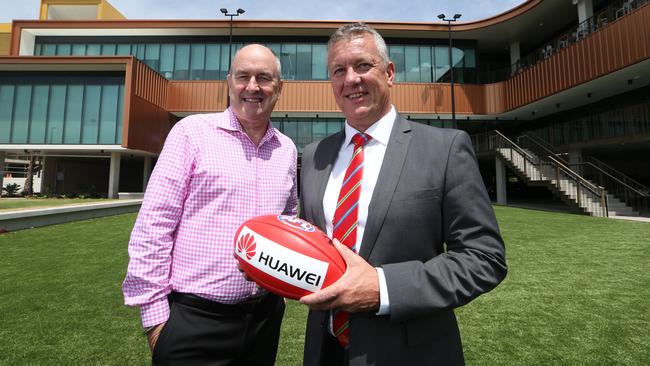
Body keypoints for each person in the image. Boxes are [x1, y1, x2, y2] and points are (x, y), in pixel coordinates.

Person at [298, 23, 507, 366]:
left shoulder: (444, 149)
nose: (351, 79)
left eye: (363, 65)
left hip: (410, 352)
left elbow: (484, 258)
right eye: (339, 70)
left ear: (390, 72)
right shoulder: (314, 156)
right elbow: (311, 247)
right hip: (325, 351)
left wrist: (383, 288)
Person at [122, 44, 297, 365]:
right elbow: (154, 224)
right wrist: (156, 322)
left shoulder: (286, 149)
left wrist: (280, 292)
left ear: (279, 88)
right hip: (195, 320)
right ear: (229, 82)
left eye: (264, 78)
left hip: (263, 319)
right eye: (243, 76)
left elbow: (288, 224)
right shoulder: (191, 133)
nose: (253, 87)